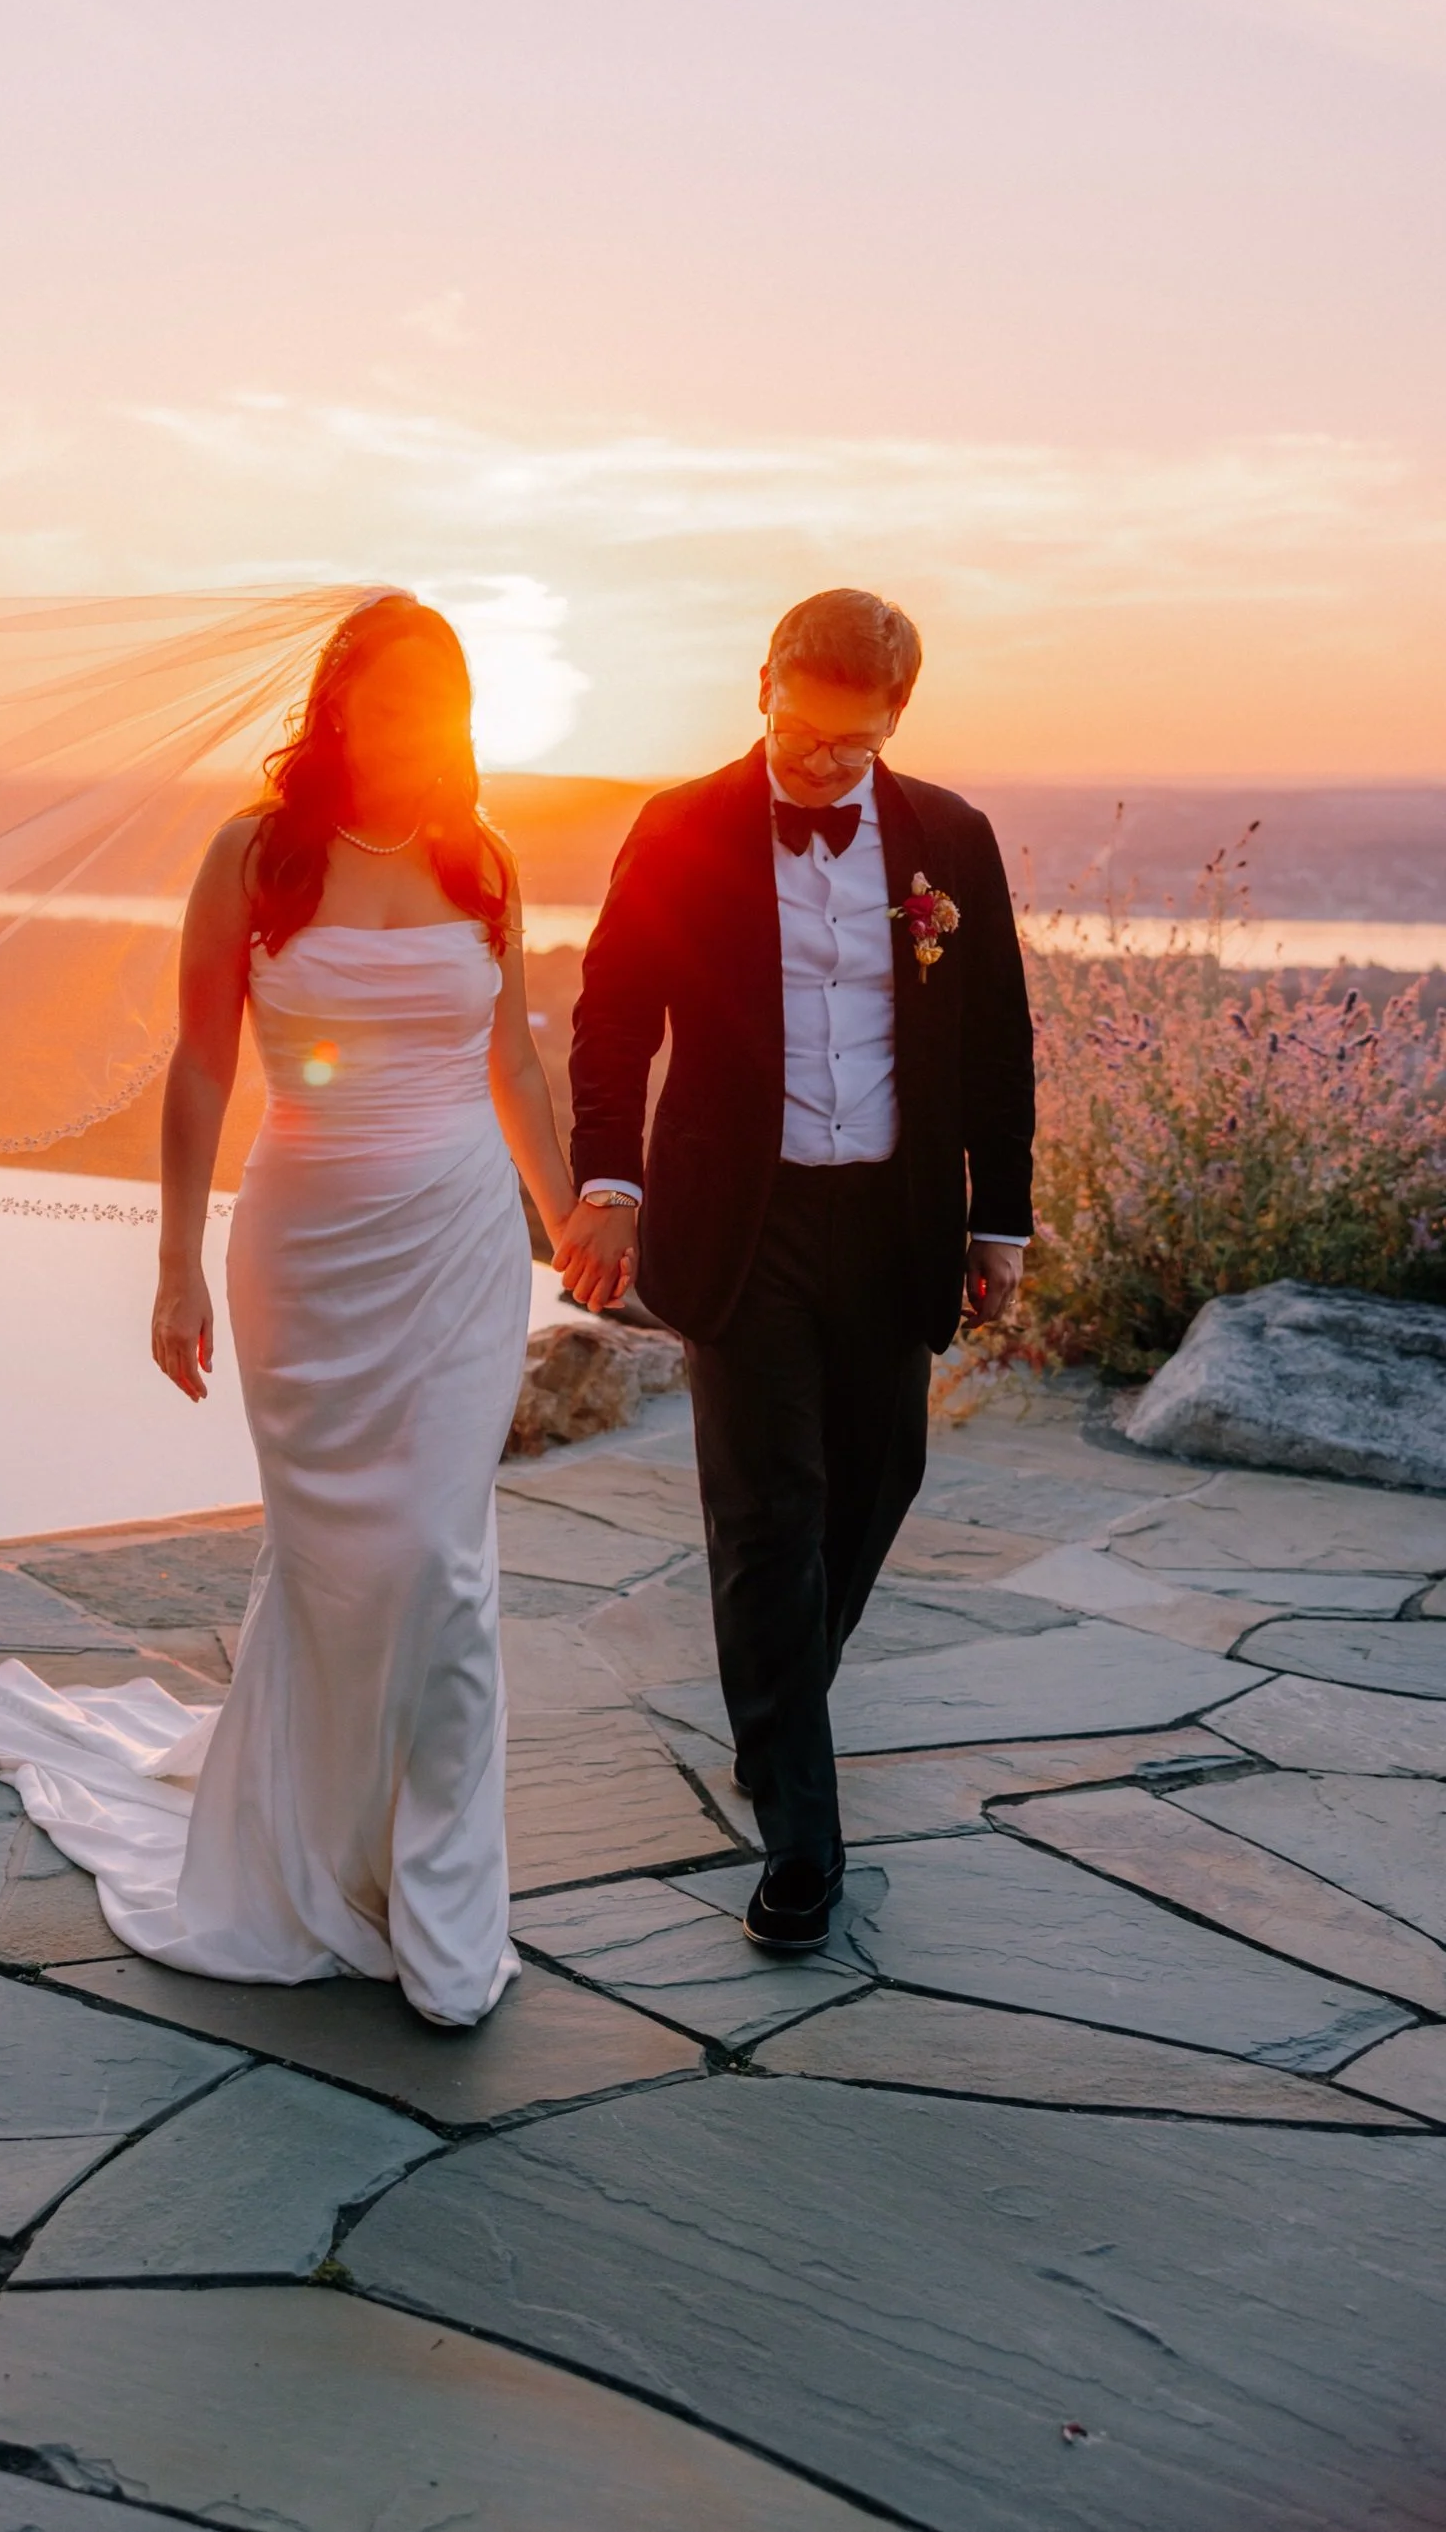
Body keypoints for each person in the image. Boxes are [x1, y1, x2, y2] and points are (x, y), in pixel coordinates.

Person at [0, 592, 575, 2027]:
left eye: (438, 705)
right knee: (343, 1564)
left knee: (441, 1561)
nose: (414, 730)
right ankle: (311, 1855)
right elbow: (205, 1066)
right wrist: (174, 1261)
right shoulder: (255, 854)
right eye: (388, 703)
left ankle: (440, 1910)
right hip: (309, 1249)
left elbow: (515, 1065)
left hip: (461, 1246)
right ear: (339, 709)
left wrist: (570, 1211)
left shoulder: (484, 858)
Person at [555, 588, 1034, 1953]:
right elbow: (612, 1019)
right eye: (804, 733)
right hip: (740, 1220)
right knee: (771, 1514)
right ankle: (803, 1847)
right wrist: (609, 1187)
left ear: (898, 718)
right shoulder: (679, 829)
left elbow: (996, 1033)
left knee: (878, 1483)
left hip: (892, 1218)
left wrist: (999, 1218)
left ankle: (776, 1715)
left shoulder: (951, 837)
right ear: (763, 683)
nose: (825, 764)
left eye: (854, 744)